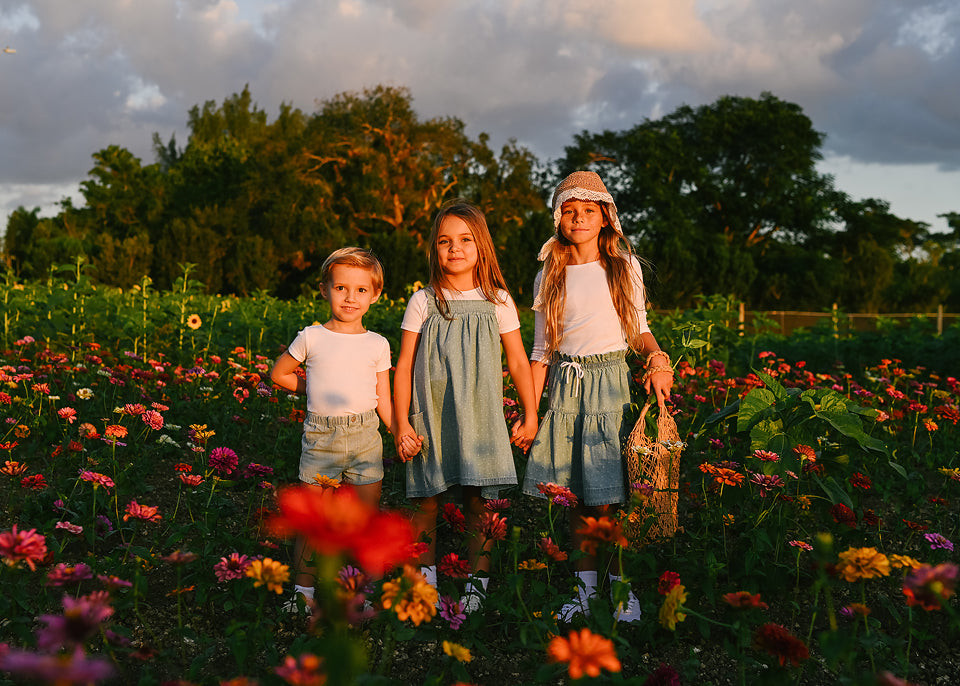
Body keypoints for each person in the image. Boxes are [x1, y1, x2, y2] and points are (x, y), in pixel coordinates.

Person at [521, 171, 674, 622]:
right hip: (566, 388)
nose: (579, 218)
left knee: (609, 497)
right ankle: (585, 591)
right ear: (558, 218)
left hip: (609, 383)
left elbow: (639, 328)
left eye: (588, 210)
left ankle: (622, 588)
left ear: (606, 217)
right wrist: (531, 412)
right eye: (569, 210)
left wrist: (658, 359)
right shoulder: (548, 274)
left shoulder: (622, 266)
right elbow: (540, 352)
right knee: (575, 498)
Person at [394, 200, 539, 612]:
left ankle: (476, 592)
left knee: (479, 502)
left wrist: (530, 416)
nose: (454, 248)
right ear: (433, 249)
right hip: (431, 413)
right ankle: (423, 589)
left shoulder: (498, 300)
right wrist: (401, 424)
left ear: (482, 247)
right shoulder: (424, 300)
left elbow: (516, 361)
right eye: (444, 241)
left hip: (480, 414)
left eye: (464, 240)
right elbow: (403, 366)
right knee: (426, 500)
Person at [269, 247, 397, 607]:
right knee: (313, 522)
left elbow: (382, 399)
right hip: (321, 438)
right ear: (324, 289)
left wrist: (399, 433)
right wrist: (316, 387)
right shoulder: (312, 336)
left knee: (365, 522)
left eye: (360, 290)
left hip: (365, 437)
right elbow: (279, 374)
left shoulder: (377, 344)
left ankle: (363, 593)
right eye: (341, 288)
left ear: (375, 295)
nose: (350, 298)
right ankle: (303, 593)